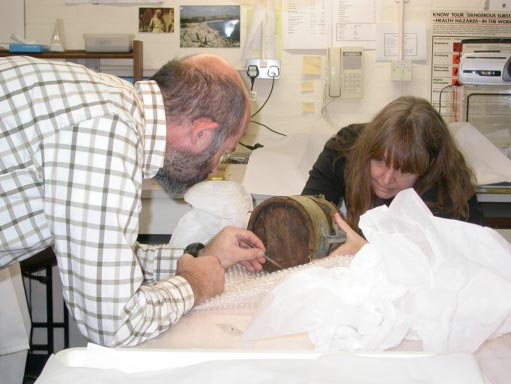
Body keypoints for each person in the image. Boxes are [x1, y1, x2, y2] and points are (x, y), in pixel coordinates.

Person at [0, 53, 267, 354]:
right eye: (224, 153)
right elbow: (114, 324)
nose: (215, 168)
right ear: (202, 131)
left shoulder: (112, 106)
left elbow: (109, 257)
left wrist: (202, 255)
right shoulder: (104, 132)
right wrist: (195, 284)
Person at [302, 96, 482, 256]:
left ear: (428, 167)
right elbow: (306, 212)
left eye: (404, 170)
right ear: (367, 151)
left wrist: (368, 252)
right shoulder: (344, 150)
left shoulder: (449, 184)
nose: (386, 179)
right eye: (379, 162)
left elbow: (463, 259)